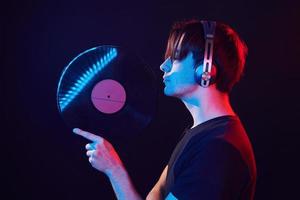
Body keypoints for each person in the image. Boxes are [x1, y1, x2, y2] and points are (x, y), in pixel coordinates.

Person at [73, 19, 257, 200]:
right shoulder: (202, 134)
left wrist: (114, 170)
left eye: (176, 57)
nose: (164, 66)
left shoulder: (218, 149)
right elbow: (156, 194)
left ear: (205, 70)